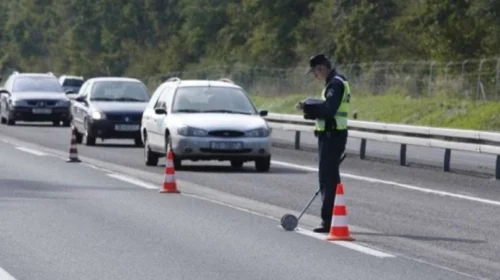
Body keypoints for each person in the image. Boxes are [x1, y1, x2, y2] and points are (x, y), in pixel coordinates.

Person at [299, 54, 350, 233]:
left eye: (315, 72)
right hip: (330, 135)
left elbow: (329, 110)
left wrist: (310, 109)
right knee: (330, 179)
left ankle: (328, 221)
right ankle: (333, 218)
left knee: (327, 180)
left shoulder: (335, 83)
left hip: (332, 136)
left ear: (322, 68)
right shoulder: (334, 83)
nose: (315, 76)